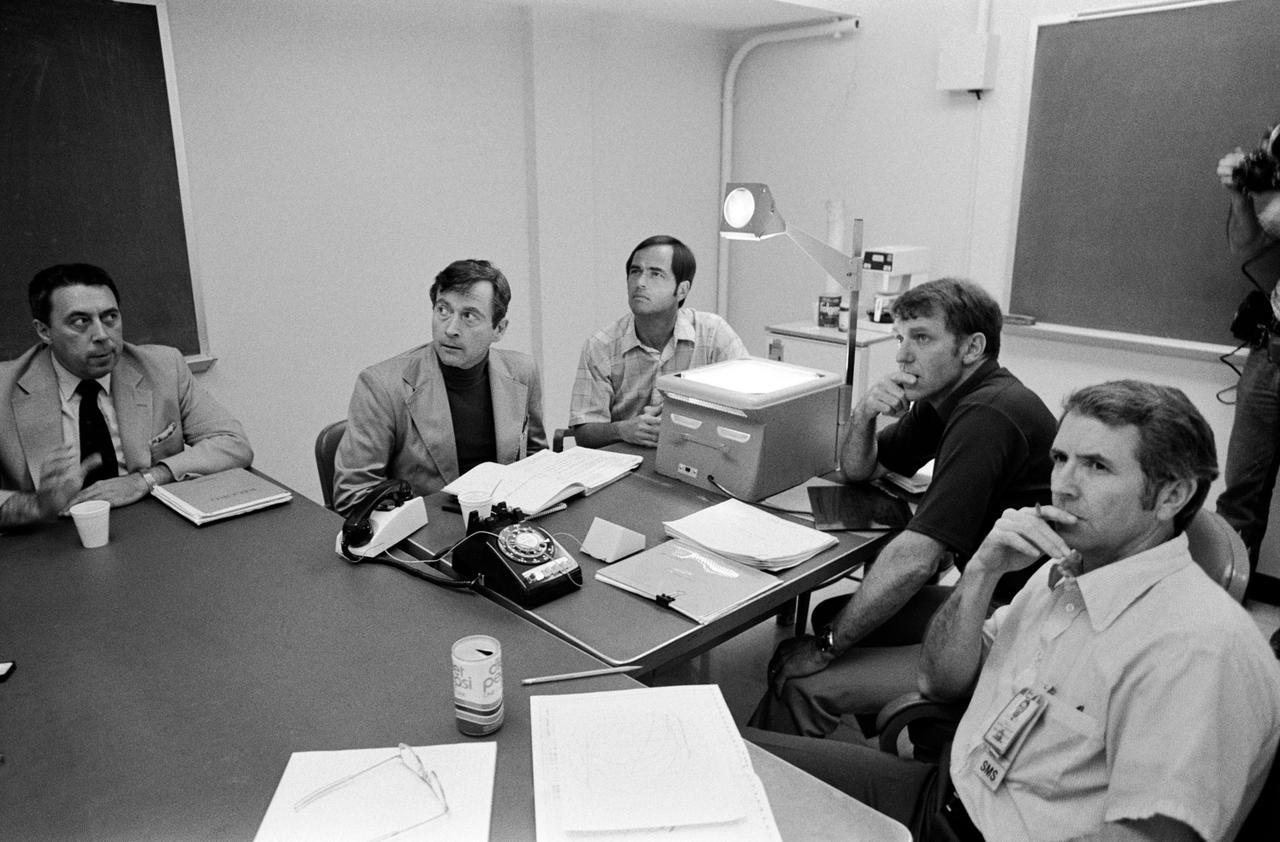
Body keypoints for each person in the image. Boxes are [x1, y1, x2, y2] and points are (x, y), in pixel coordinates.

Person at [747, 381, 1280, 841]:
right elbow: (938, 680)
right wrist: (981, 572)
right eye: (1061, 459)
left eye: (1097, 466)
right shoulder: (1064, 572)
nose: (1063, 486)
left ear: (1171, 496)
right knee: (732, 757)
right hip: (943, 795)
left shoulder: (1198, 650)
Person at [750, 278, 1056, 740]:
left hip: (1017, 624)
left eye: (922, 338)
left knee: (804, 682)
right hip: (994, 597)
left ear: (972, 348)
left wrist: (824, 650)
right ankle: (902, 727)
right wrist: (864, 414)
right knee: (834, 614)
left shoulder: (988, 414)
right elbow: (862, 470)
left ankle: (794, 768)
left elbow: (916, 559)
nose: (902, 355)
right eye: (901, 338)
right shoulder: (946, 400)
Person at [0, 263, 253, 528]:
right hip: (48, 536)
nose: (101, 335)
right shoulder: (6, 387)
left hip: (152, 525)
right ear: (44, 331)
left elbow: (233, 443)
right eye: (80, 322)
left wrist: (146, 479)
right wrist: (38, 505)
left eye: (110, 317)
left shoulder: (163, 367)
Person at [333, 259, 546, 515]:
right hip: (424, 531)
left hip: (504, 523)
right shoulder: (381, 385)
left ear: (499, 329)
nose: (451, 329)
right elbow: (353, 495)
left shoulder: (522, 372)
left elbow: (536, 462)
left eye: (468, 316)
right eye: (443, 310)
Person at [568, 235, 749, 448]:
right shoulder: (601, 345)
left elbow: (749, 406)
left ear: (682, 290)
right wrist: (622, 430)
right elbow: (584, 432)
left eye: (656, 274)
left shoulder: (713, 333)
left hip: (696, 451)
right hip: (627, 457)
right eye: (635, 272)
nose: (640, 283)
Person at [1215, 125, 1280, 587]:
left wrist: (1268, 183)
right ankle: (1220, 600)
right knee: (1240, 494)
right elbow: (1247, 246)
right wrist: (1242, 195)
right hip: (1270, 353)